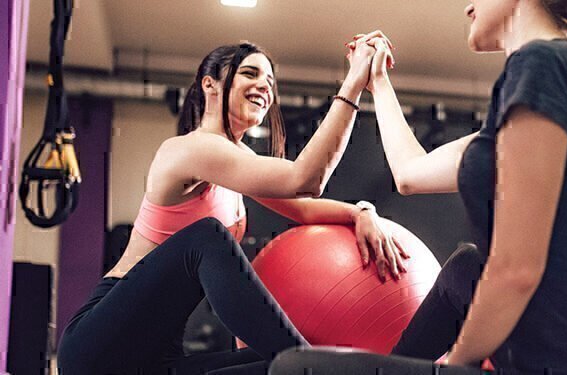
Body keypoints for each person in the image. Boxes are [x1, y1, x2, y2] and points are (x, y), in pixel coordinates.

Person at [269, 0, 567, 374]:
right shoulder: (540, 85)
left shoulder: (544, 63)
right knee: (465, 267)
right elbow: (409, 173)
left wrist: (455, 364)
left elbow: (516, 270)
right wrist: (378, 83)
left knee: (294, 368)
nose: (467, 7)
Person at [56, 38, 408, 375]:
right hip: (101, 344)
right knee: (207, 237)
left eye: (270, 81)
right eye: (250, 73)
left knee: (270, 366)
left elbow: (303, 207)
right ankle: (310, 365)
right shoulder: (188, 150)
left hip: (157, 360)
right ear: (210, 85)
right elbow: (305, 179)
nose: (265, 87)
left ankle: (307, 364)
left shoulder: (237, 164)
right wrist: (353, 83)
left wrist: (361, 211)